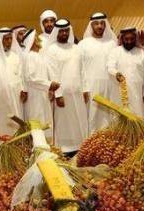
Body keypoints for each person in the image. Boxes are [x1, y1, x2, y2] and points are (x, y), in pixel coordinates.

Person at [44, 19, 89, 155]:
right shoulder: (52, 50)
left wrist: (85, 89)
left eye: (66, 30)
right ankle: (64, 149)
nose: (64, 33)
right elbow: (53, 73)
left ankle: (79, 146)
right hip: (63, 93)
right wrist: (58, 95)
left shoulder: (76, 48)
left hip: (77, 91)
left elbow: (83, 70)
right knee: (64, 122)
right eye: (61, 31)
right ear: (57, 32)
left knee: (79, 119)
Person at [78, 12, 118, 133]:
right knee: (93, 115)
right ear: (91, 26)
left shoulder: (112, 43)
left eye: (102, 23)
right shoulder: (83, 44)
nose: (99, 26)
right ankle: (92, 143)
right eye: (96, 24)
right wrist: (84, 88)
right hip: (91, 86)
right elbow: (80, 69)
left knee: (110, 115)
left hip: (110, 85)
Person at [21, 28, 60, 139]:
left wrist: (49, 89)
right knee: (38, 123)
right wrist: (49, 85)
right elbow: (31, 78)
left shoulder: (38, 56)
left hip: (42, 95)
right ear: (31, 41)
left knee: (46, 122)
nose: (39, 40)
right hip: (35, 97)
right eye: (36, 38)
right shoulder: (30, 56)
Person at [107, 27, 144, 117]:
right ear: (122, 39)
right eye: (126, 39)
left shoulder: (141, 52)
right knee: (119, 117)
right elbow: (110, 67)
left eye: (132, 39)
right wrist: (117, 74)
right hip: (119, 91)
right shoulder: (115, 52)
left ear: (135, 39)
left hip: (136, 90)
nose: (129, 41)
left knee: (136, 115)